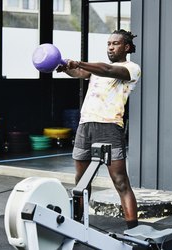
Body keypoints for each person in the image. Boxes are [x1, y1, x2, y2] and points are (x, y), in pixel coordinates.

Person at [57, 29, 141, 229]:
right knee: (81, 183)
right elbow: (79, 72)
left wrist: (78, 62)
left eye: (115, 44)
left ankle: (135, 230)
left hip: (109, 127)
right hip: (85, 126)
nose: (111, 47)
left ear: (126, 47)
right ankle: (78, 227)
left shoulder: (131, 68)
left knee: (120, 182)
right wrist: (63, 66)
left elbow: (108, 70)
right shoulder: (96, 69)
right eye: (108, 44)